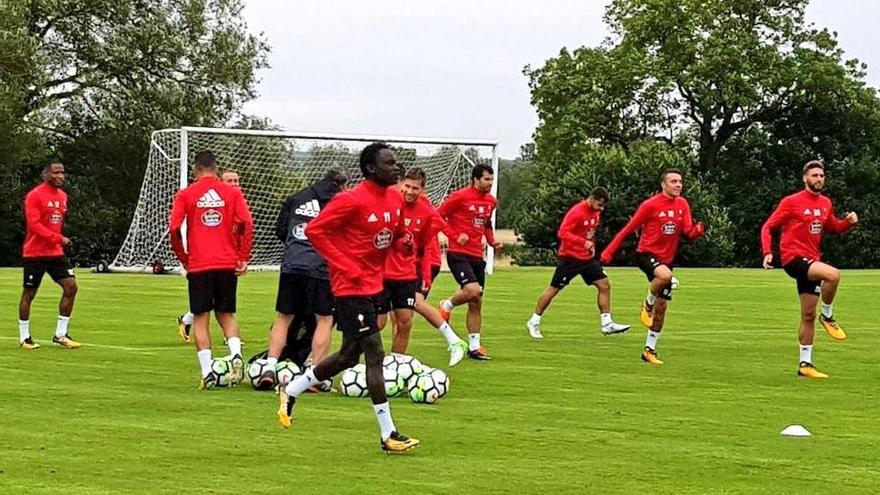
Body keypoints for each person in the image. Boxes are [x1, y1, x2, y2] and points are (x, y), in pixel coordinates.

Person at [277, 142, 420, 454]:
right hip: (349, 288)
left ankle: (292, 389)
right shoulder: (350, 200)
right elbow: (315, 232)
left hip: (374, 285)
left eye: (396, 162)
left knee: (347, 357)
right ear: (370, 169)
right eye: (389, 163)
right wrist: (345, 265)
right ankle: (388, 433)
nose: (395, 168)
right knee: (375, 353)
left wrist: (405, 242)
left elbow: (394, 235)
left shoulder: (395, 199)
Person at [760, 160, 858, 378]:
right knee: (833, 275)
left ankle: (805, 365)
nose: (819, 179)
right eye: (814, 175)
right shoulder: (791, 202)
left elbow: (833, 227)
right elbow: (769, 226)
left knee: (807, 315)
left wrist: (848, 222)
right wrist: (768, 251)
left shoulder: (825, 202)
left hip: (811, 260)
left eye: (821, 176)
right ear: (805, 178)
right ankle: (829, 316)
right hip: (793, 258)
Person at [600, 169, 705, 365]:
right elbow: (628, 230)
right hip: (646, 254)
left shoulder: (683, 204)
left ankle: (649, 350)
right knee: (665, 276)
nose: (678, 185)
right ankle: (647, 304)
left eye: (680, 181)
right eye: (674, 181)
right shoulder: (650, 205)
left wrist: (697, 231)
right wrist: (608, 252)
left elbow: (687, 232)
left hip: (667, 258)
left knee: (662, 307)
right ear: (663, 185)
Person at [170, 151, 254, 389]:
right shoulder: (232, 192)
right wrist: (243, 257)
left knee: (201, 317)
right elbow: (246, 223)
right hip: (227, 262)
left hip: (199, 263)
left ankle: (207, 371)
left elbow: (175, 228)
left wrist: (184, 258)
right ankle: (236, 356)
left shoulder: (186, 194)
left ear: (196, 170)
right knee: (226, 314)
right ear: (217, 169)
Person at [259, 168, 348, 390]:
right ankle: (314, 375)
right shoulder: (340, 202)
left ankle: (270, 366)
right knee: (324, 320)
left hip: (291, 265)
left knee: (284, 317)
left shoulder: (297, 197)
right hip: (320, 267)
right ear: (343, 185)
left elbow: (280, 231)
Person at [379, 167, 467, 366]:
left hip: (411, 271)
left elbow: (428, 243)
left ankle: (394, 366)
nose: (409, 191)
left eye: (415, 188)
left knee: (406, 318)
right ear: (400, 184)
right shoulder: (388, 200)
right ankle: (375, 364)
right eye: (407, 186)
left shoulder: (425, 209)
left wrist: (426, 275)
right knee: (382, 321)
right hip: (383, 272)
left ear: (422, 190)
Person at [526, 187, 631, 338]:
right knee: (554, 289)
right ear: (593, 199)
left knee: (604, 285)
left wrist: (590, 245)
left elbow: (588, 232)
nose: (601, 209)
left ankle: (607, 323)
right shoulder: (576, 212)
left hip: (587, 258)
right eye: (600, 205)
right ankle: (534, 321)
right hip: (570, 258)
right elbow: (562, 233)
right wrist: (583, 242)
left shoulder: (595, 212)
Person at [436, 163, 501, 360]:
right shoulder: (460, 196)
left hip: (476, 256)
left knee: (476, 301)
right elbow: (438, 216)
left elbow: (487, 224)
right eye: (486, 179)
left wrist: (492, 241)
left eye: (491, 179)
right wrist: (454, 235)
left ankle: (474, 347)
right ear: (475, 179)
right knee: (473, 290)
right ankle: (446, 305)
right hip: (458, 254)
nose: (490, 183)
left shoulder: (491, 201)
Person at [18, 161, 81, 350]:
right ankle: (24, 337)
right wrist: (58, 238)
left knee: (71, 287)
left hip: (55, 253)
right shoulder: (35, 195)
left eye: (62, 172)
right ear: (46, 174)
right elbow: (34, 225)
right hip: (35, 253)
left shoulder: (63, 196)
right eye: (56, 172)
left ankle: (61, 334)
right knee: (29, 293)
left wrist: (58, 241)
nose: (60, 176)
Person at [177, 168, 243, 342]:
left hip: (227, 262)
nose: (235, 184)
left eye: (237, 181)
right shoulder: (217, 201)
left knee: (220, 306)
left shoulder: (237, 203)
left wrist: (241, 256)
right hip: (203, 261)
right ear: (220, 181)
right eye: (230, 181)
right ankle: (229, 344)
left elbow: (243, 231)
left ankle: (186, 320)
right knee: (210, 307)